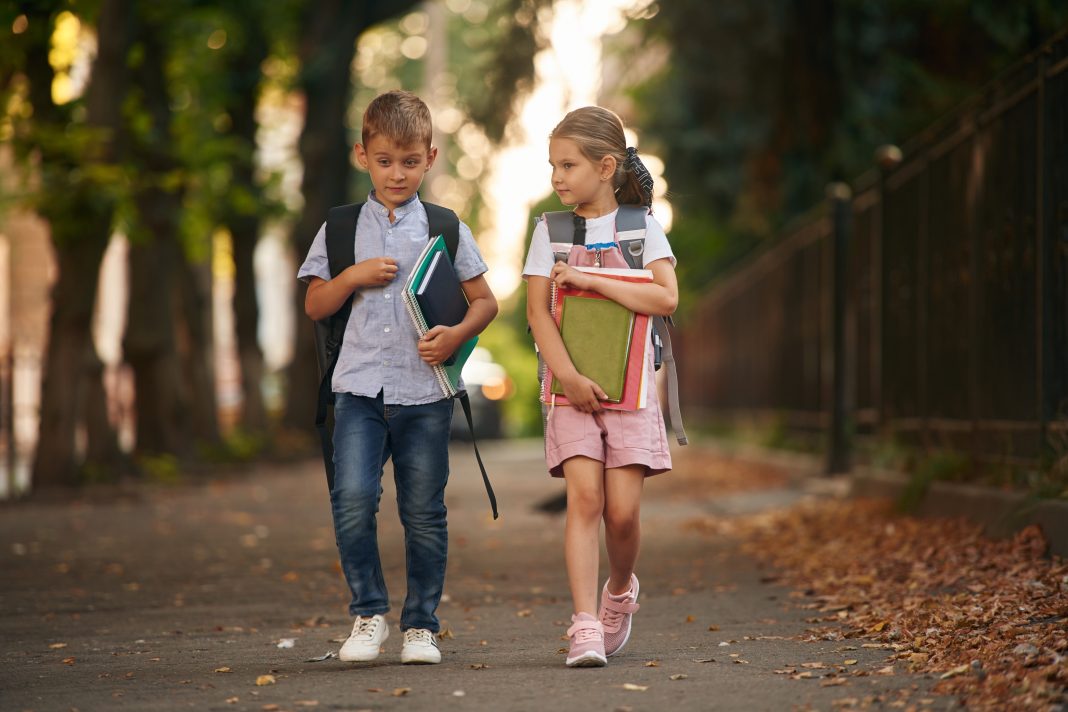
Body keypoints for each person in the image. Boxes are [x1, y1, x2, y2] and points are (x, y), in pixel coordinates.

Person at [298, 90, 498, 665]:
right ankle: (368, 615)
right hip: (358, 390)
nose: (397, 174)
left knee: (424, 513)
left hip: (425, 395)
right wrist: (352, 276)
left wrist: (455, 335)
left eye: (410, 162)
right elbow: (315, 305)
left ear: (430, 158)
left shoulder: (445, 226)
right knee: (352, 500)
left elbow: (485, 302)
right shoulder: (339, 228)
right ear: (362, 155)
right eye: (385, 161)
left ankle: (420, 627)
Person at [522, 106, 678, 667]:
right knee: (585, 499)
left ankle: (619, 591)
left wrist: (590, 279)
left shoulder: (641, 228)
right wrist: (568, 377)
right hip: (570, 390)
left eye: (568, 165)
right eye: (553, 166)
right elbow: (538, 313)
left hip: (631, 392)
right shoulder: (550, 231)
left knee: (623, 514)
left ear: (606, 166)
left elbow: (665, 297)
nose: (557, 177)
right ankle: (585, 623)